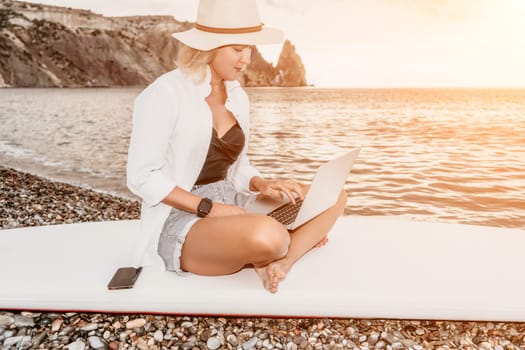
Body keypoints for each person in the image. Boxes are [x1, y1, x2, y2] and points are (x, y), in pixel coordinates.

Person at [127, 0, 346, 293]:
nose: (246, 59)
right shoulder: (165, 93)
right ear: (210, 46)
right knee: (271, 236)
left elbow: (236, 165)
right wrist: (209, 208)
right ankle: (282, 244)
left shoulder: (237, 95)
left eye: (250, 49)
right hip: (182, 216)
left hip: (232, 202)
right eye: (237, 48)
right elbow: (142, 177)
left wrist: (261, 182)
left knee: (333, 194)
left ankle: (282, 263)